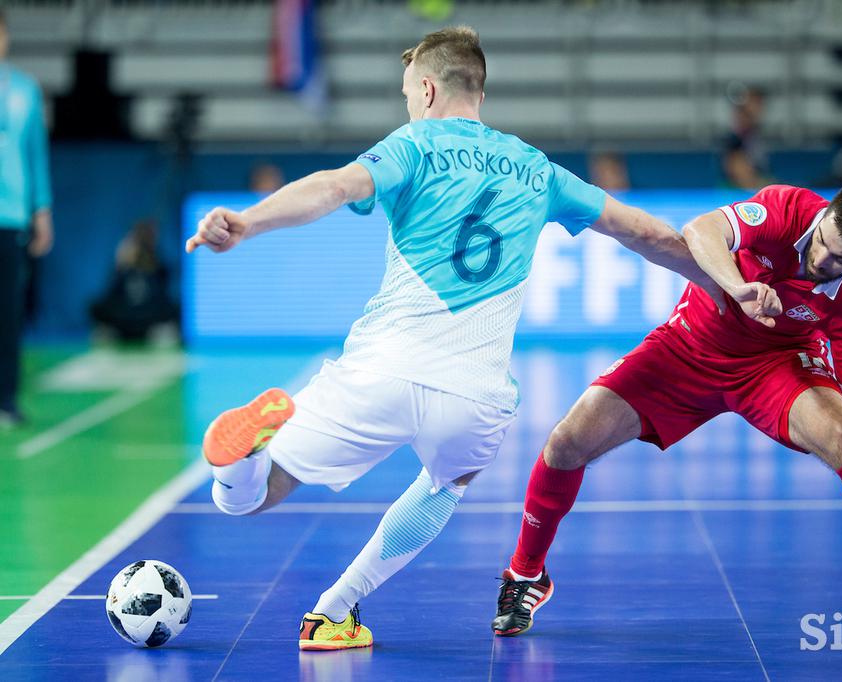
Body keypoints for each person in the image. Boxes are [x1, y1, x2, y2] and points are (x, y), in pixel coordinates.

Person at [185, 26, 723, 651]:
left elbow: (333, 186)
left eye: (409, 94)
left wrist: (247, 222)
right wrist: (727, 287)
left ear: (430, 88)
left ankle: (244, 464)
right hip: (473, 394)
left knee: (253, 499)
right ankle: (335, 610)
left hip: (382, 371)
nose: (408, 106)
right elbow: (646, 234)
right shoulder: (537, 168)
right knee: (448, 481)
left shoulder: (413, 144)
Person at [491, 181, 842, 645]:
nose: (821, 259)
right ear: (827, 215)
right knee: (567, 442)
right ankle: (526, 574)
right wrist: (738, 287)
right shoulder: (786, 208)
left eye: (840, 260)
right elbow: (700, 231)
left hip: (776, 366)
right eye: (822, 241)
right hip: (687, 347)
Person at [0, 9, 53, 428]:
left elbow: (35, 154)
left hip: (12, 215)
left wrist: (42, 210)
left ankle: (6, 400)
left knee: (9, 310)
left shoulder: (24, 90)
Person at [90, 219, 178, 342]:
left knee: (169, 328)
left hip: (150, 323)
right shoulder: (123, 267)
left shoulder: (158, 267)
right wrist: (120, 263)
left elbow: (163, 297)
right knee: (97, 314)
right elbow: (110, 298)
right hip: (123, 322)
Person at [721, 85, 772, 190]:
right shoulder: (735, 140)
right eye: (756, 103)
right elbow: (739, 171)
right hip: (739, 191)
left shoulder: (754, 134)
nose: (760, 108)